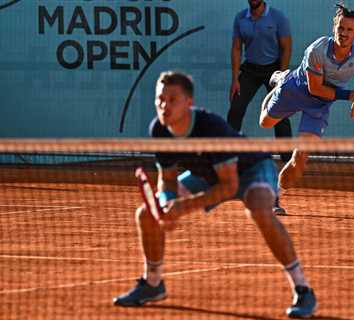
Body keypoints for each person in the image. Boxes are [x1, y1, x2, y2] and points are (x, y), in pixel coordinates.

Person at [113, 71, 317, 318]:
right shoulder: (159, 130)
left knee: (260, 210)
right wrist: (166, 205)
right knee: (147, 213)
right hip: (207, 175)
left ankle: (303, 289)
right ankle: (153, 284)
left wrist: (182, 208)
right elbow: (166, 181)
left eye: (172, 99)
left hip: (252, 169)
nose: (164, 106)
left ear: (189, 103)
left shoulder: (210, 127)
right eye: (160, 99)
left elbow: (229, 187)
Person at [259, 4, 354, 190]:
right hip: (297, 89)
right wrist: (352, 95)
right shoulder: (316, 50)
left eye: (349, 30)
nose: (344, 33)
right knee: (265, 123)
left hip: (320, 105)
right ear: (334, 28)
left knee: (301, 157)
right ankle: (281, 78)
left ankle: (276, 194)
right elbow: (315, 89)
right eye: (340, 28)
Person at [229, 0, 293, 215]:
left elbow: (286, 47)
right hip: (250, 71)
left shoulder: (277, 17)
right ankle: (228, 155)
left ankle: (287, 159)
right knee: (236, 108)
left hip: (273, 70)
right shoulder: (240, 18)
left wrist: (282, 76)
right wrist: (234, 79)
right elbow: (237, 48)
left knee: (280, 112)